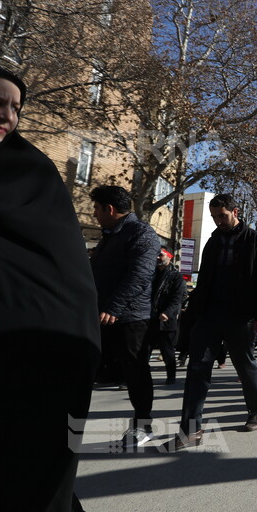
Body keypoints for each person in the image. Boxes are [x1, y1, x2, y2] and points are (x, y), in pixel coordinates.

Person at [0, 63, 110, 512]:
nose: (7, 115)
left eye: (16, 107)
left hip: (39, 351)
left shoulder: (26, 173)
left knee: (21, 473)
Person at [173, 194, 257, 450]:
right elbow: (204, 279)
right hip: (210, 314)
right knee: (197, 368)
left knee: (244, 365)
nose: (218, 221)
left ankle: (255, 410)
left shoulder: (255, 240)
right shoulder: (213, 241)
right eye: (214, 217)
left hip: (241, 316)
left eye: (222, 216)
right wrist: (192, 313)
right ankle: (190, 428)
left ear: (235, 211)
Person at [89, 184, 159, 449]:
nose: (94, 214)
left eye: (97, 208)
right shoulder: (109, 236)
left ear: (109, 209)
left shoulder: (141, 233)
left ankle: (144, 426)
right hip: (102, 316)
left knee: (136, 373)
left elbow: (140, 276)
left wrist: (114, 308)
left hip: (130, 319)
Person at [149, 247, 186, 386]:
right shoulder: (151, 274)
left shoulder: (176, 276)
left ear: (169, 257)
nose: (158, 257)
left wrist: (167, 312)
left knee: (167, 351)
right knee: (142, 350)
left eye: (161, 255)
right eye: (156, 255)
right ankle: (135, 379)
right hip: (149, 318)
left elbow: (177, 298)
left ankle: (171, 376)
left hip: (166, 321)